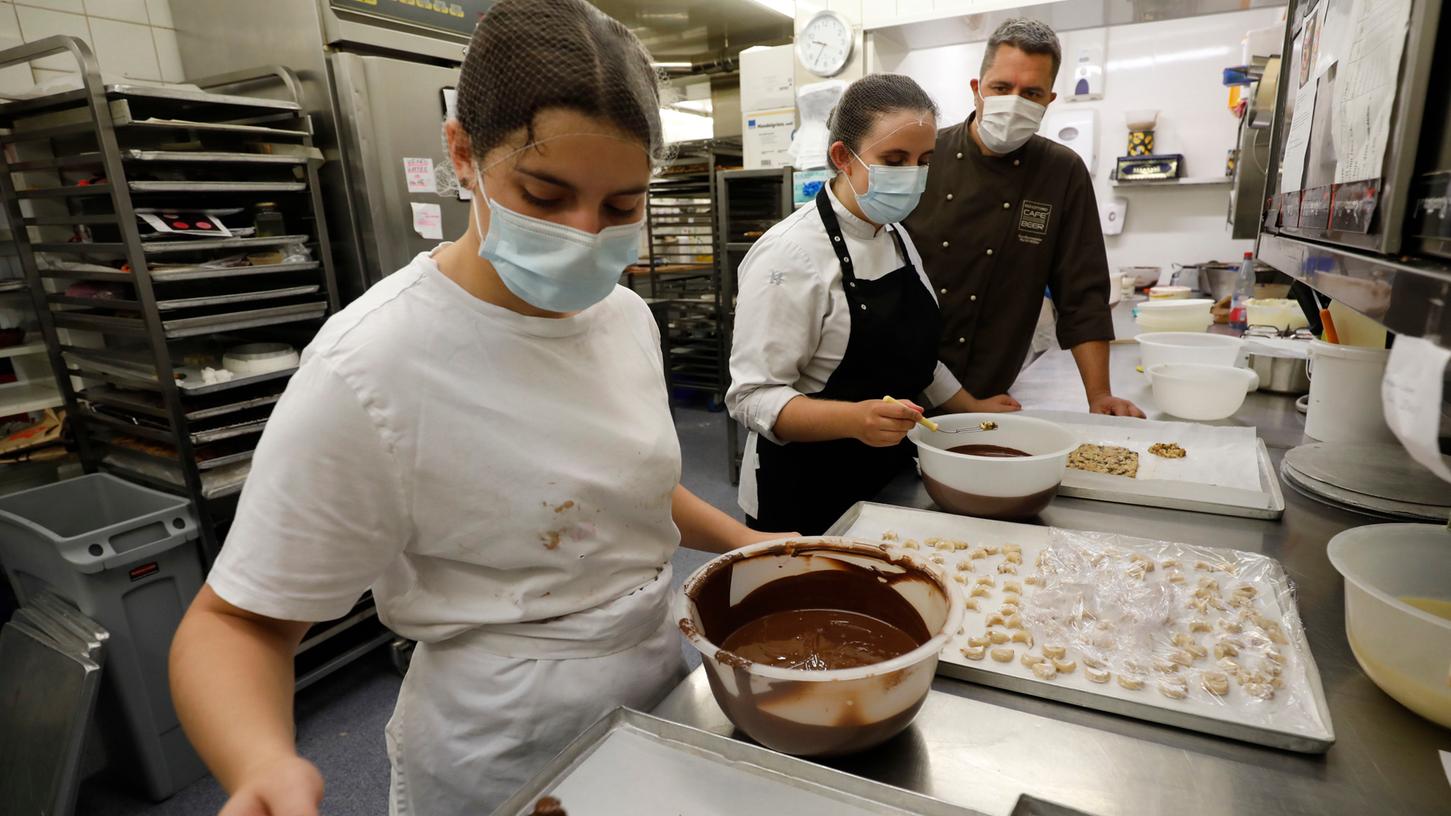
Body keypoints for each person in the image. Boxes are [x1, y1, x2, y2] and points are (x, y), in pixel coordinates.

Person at [167, 3, 787, 814]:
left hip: (656, 681)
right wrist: (260, 763)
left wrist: (751, 546)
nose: (583, 234)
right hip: (502, 740)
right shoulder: (372, 367)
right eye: (545, 193)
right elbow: (234, 623)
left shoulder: (624, 315)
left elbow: (614, 482)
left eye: (620, 207)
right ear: (461, 152)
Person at [727, 74, 1017, 537]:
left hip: (888, 480)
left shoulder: (896, 236)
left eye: (924, 161)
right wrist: (855, 419)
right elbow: (751, 397)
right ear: (843, 157)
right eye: (894, 160)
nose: (912, 175)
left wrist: (972, 408)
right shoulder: (789, 255)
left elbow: (916, 358)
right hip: (805, 494)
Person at [904, 19, 1145, 418]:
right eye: (1001, 87)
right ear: (976, 88)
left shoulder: (1062, 172)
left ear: (1049, 100)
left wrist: (1099, 395)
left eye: (1030, 92)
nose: (1014, 101)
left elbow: (1081, 295)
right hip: (896, 385)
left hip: (990, 392)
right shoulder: (925, 156)